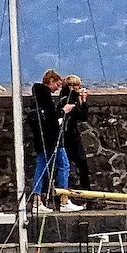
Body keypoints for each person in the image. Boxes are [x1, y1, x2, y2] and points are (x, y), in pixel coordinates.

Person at [29, 69, 76, 213]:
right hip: (51, 139)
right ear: (51, 81)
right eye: (57, 85)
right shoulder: (45, 98)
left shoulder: (38, 98)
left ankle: (37, 201)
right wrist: (64, 111)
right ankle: (64, 199)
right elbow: (52, 119)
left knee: (41, 167)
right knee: (64, 165)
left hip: (42, 139)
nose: (58, 89)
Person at [60, 75, 93, 203]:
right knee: (79, 164)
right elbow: (82, 115)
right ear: (72, 87)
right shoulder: (68, 98)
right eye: (78, 86)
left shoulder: (65, 97)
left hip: (70, 135)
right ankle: (85, 195)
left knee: (73, 165)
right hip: (70, 136)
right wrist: (83, 101)